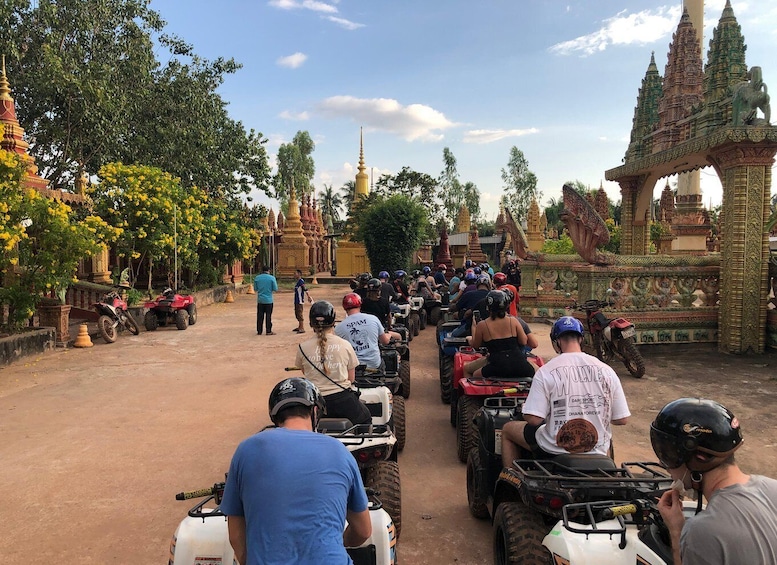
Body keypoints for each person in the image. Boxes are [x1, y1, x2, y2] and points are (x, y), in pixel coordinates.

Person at [220, 377, 371, 565]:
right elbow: (363, 531)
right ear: (315, 411)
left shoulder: (246, 449)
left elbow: (235, 535)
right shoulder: (339, 451)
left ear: (275, 416)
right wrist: (336, 543)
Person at [652, 398, 777, 565]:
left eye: (668, 455)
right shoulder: (772, 487)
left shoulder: (703, 531)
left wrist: (676, 532)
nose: (664, 465)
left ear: (699, 458)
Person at [500, 316, 630, 468]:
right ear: (581, 340)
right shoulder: (607, 370)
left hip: (554, 449)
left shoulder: (546, 371)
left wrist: (527, 412)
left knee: (508, 430)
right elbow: (622, 419)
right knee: (605, 437)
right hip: (597, 450)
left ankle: (509, 481)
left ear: (556, 343)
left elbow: (534, 420)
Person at [296, 301, 372, 425]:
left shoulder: (302, 347)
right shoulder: (345, 345)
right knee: (366, 419)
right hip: (344, 401)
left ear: (311, 323)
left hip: (315, 403)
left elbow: (306, 372)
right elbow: (351, 378)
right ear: (333, 322)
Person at [464, 290, 535, 381]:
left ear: (488, 306)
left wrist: (474, 327)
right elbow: (524, 341)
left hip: (496, 366)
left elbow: (475, 345)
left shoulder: (482, 325)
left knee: (472, 374)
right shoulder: (513, 321)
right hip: (520, 364)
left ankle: (469, 395)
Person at [336, 293, 401, 370]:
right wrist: (389, 335)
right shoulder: (373, 319)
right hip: (374, 364)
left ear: (344, 307)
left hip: (353, 368)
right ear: (360, 304)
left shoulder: (338, 328)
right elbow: (385, 341)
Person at [254, 265, 278, 335]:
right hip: (269, 300)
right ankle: (268, 331)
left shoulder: (257, 278)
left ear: (261, 270)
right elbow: (275, 289)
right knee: (268, 316)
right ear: (269, 271)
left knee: (260, 316)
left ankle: (259, 331)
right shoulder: (272, 278)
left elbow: (255, 289)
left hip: (260, 300)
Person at [293, 269, 313, 333]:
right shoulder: (298, 282)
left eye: (295, 273)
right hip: (296, 300)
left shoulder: (301, 281)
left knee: (299, 313)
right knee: (297, 313)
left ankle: (302, 328)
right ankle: (299, 326)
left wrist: (309, 296)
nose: (294, 275)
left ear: (299, 274)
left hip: (299, 300)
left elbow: (305, 289)